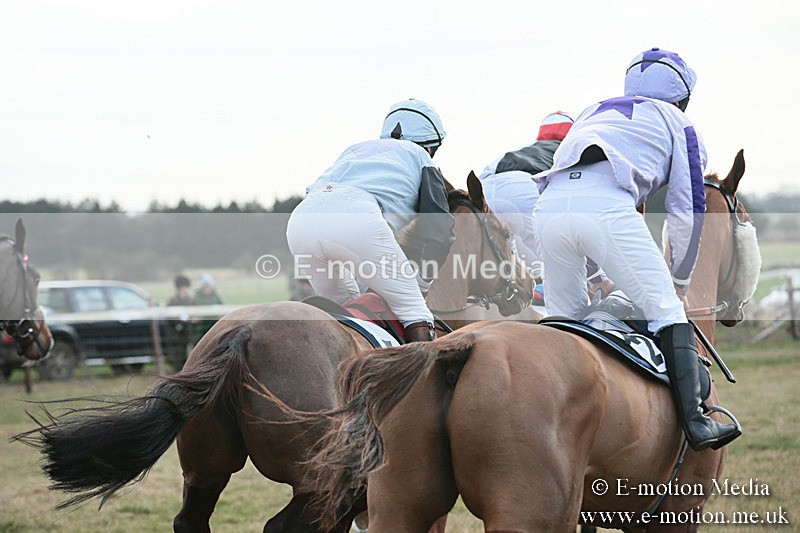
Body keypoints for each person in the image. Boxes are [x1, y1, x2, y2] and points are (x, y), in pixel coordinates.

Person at [532, 48, 740, 451]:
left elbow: (569, 186)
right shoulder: (680, 123)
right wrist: (678, 280)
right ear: (683, 98)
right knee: (666, 310)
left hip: (549, 209)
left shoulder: (593, 110)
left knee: (565, 325)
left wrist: (595, 275)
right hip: (606, 207)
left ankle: (552, 434)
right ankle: (696, 423)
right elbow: (688, 209)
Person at [286, 98, 455, 342]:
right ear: (431, 146)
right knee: (414, 310)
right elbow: (440, 228)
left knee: (347, 318)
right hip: (355, 220)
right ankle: (425, 380)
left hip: (301, 221)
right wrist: (422, 282)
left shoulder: (354, 149)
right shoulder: (420, 156)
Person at [479, 111, 614, 299]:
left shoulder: (520, 148)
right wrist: (598, 276)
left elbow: (482, 179)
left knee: (507, 255)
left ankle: (522, 287)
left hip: (487, 192)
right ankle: (577, 287)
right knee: (564, 249)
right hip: (527, 189)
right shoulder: (572, 150)